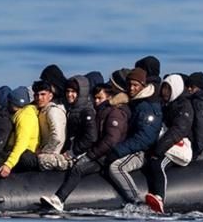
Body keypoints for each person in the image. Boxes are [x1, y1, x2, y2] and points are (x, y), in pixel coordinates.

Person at [40, 83, 130, 212]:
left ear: (109, 97)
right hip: (98, 153)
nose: (96, 101)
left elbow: (110, 140)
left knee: (78, 169)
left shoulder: (114, 114)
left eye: (100, 98)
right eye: (95, 98)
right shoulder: (99, 112)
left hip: (106, 156)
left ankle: (59, 199)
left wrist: (90, 155)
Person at [105, 67, 162, 205]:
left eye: (135, 85)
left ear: (143, 86)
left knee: (116, 167)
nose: (131, 88)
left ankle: (136, 201)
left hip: (142, 152)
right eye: (129, 84)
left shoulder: (148, 106)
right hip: (132, 147)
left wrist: (117, 151)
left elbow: (145, 138)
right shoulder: (136, 102)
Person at [143, 74, 194, 213]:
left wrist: (157, 150)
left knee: (158, 164)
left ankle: (160, 198)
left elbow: (178, 130)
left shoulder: (184, 106)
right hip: (165, 144)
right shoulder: (165, 104)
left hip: (176, 146)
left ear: (175, 89)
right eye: (163, 88)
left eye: (168, 89)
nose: (165, 92)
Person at [61, 76, 98, 168]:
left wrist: (73, 151)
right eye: (67, 91)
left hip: (79, 154)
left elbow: (91, 137)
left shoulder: (87, 111)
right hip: (71, 151)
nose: (69, 94)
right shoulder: (72, 109)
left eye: (73, 92)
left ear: (81, 93)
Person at [33, 80, 68, 171]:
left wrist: (44, 152)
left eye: (43, 94)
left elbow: (57, 137)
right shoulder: (43, 110)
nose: (39, 98)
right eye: (37, 95)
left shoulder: (53, 111)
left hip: (52, 157)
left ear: (50, 96)